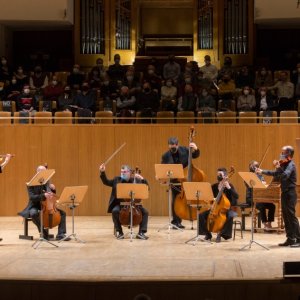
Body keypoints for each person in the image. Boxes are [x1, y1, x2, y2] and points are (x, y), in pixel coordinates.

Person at [256, 146, 300, 247]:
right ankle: (290, 238)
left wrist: (278, 166)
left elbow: (285, 175)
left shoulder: (291, 165)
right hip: (284, 193)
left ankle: (298, 239)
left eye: (283, 152)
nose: (281, 154)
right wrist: (262, 171)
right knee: (285, 216)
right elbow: (275, 174)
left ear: (288, 154)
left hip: (290, 193)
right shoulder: (284, 164)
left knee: (291, 216)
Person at [18, 165, 71, 241]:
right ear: (38, 172)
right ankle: (43, 233)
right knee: (33, 213)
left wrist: (53, 190)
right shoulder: (31, 184)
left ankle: (60, 234)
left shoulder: (46, 182)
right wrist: (43, 195)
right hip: (35, 205)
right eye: (43, 172)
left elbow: (51, 196)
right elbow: (32, 197)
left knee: (62, 213)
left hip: (47, 206)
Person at [99, 164, 149, 240]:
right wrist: (102, 172)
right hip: (120, 205)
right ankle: (120, 232)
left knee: (145, 212)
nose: (123, 173)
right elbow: (106, 182)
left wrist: (142, 179)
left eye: (125, 172)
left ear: (130, 172)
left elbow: (147, 188)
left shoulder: (136, 180)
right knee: (115, 211)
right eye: (121, 172)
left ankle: (141, 233)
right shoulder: (117, 180)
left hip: (135, 205)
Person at [161, 137, 200, 229]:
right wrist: (163, 176)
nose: (173, 148)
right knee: (175, 200)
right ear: (168, 145)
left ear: (177, 145)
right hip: (175, 181)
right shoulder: (165, 156)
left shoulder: (185, 150)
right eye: (171, 147)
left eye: (174, 146)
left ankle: (192, 217)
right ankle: (176, 222)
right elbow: (163, 167)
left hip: (187, 179)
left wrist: (196, 148)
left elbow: (195, 155)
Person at [198, 167, 239, 242]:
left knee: (230, 216)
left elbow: (237, 196)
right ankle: (207, 234)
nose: (218, 176)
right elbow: (208, 197)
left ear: (225, 176)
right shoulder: (214, 186)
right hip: (215, 208)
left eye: (220, 174)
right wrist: (211, 200)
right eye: (217, 174)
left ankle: (220, 234)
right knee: (201, 216)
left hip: (227, 208)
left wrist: (229, 187)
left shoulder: (229, 185)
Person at [246, 160, 275, 231]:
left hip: (260, 197)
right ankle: (265, 224)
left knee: (272, 206)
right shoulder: (248, 176)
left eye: (257, 166)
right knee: (261, 205)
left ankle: (269, 224)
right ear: (251, 167)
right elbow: (250, 185)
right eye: (254, 166)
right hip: (251, 197)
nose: (256, 167)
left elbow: (264, 185)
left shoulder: (260, 175)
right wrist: (256, 178)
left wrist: (264, 184)